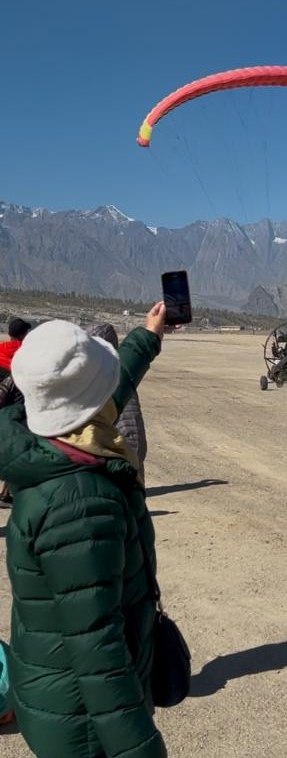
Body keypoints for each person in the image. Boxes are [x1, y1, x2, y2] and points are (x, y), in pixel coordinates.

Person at [0, 303, 170, 758]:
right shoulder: (81, 503)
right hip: (83, 724)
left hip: (52, 692)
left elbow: (110, 386)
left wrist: (149, 335)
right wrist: (139, 750)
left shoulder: (48, 437)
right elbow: (98, 649)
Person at [86, 323, 148, 485]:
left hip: (121, 466)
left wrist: (128, 466)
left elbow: (132, 429)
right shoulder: (94, 378)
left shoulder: (116, 381)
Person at [0, 374, 23, 508]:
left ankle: (4, 494)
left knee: (13, 459)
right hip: (11, 423)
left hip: (16, 424)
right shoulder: (14, 379)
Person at [0, 317, 31, 383]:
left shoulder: (1, 346)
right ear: (21, 336)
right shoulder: (25, 350)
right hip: (10, 381)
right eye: (26, 333)